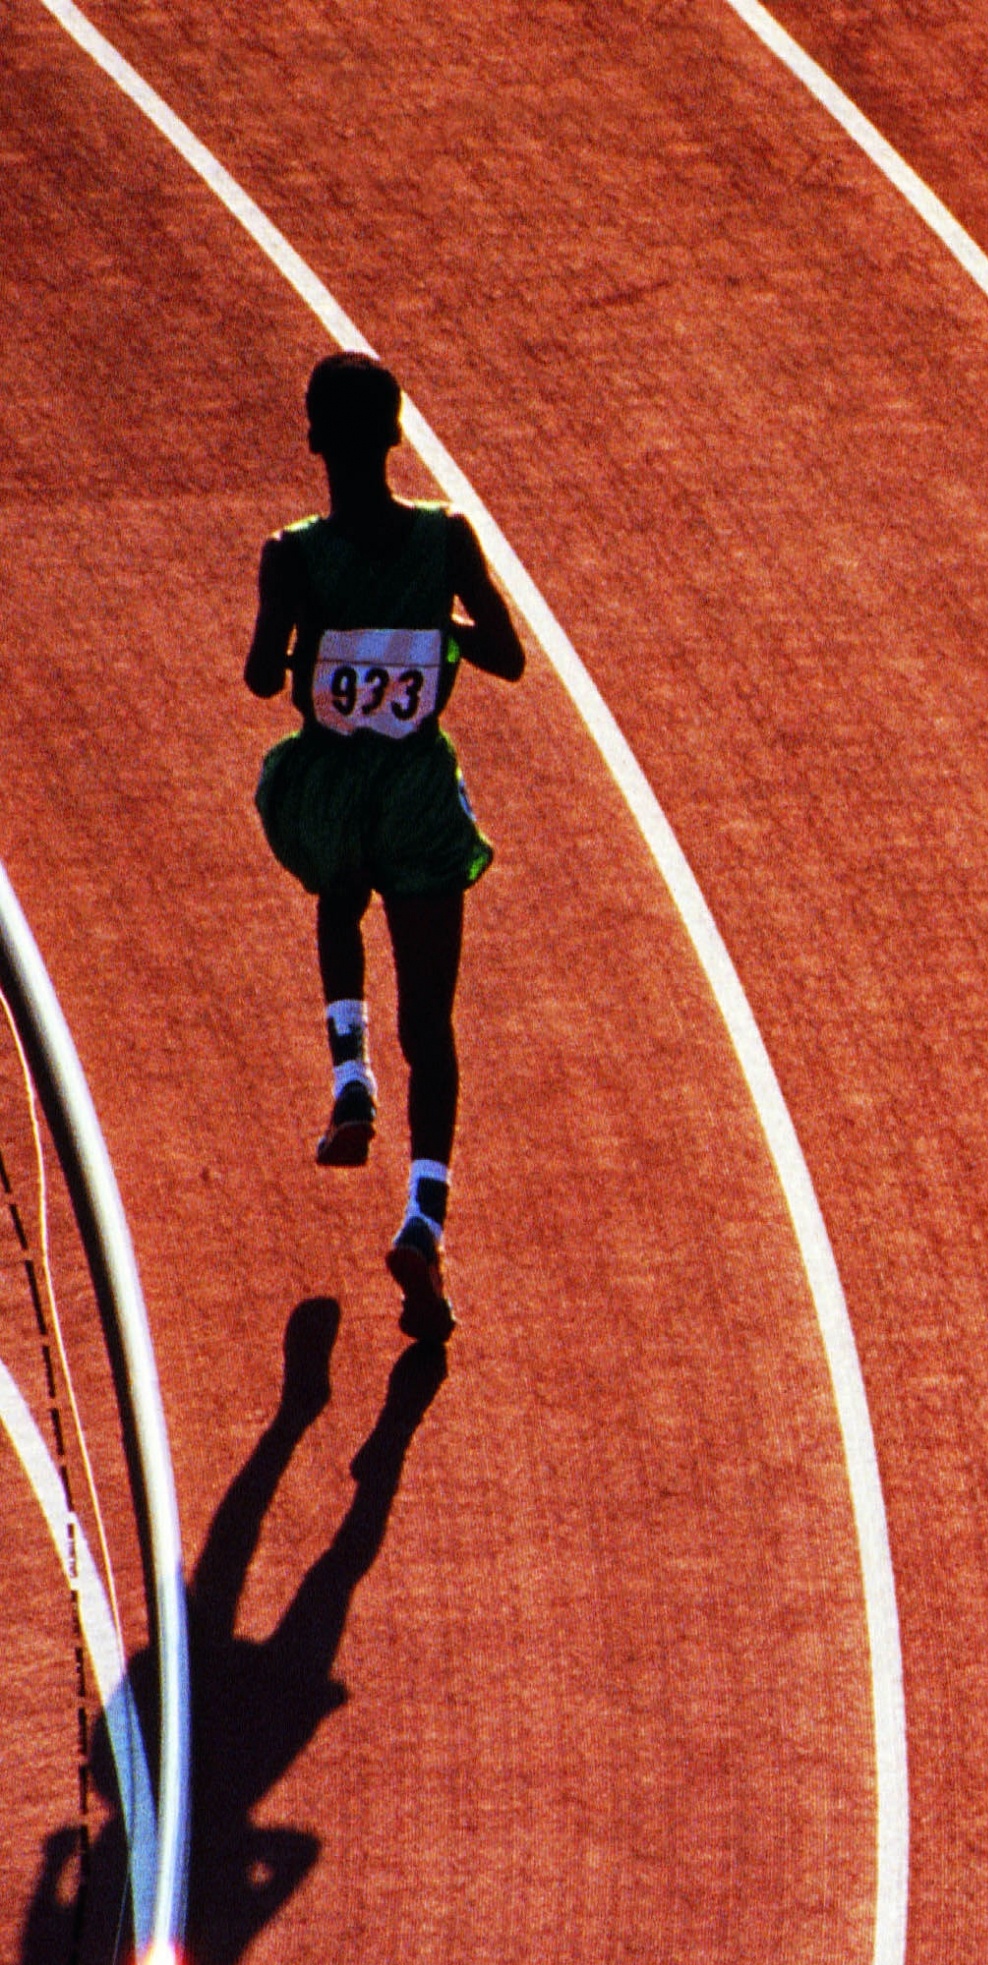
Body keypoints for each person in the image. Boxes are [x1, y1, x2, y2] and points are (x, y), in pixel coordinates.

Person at [245, 352, 525, 1342]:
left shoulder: (292, 555)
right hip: (414, 794)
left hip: (331, 789)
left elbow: (261, 677)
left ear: (315, 438)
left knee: (336, 898)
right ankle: (423, 1218)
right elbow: (508, 656)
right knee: (433, 1024)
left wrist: (320, 640)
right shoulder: (445, 539)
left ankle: (348, 1079)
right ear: (398, 434)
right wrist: (433, 629)